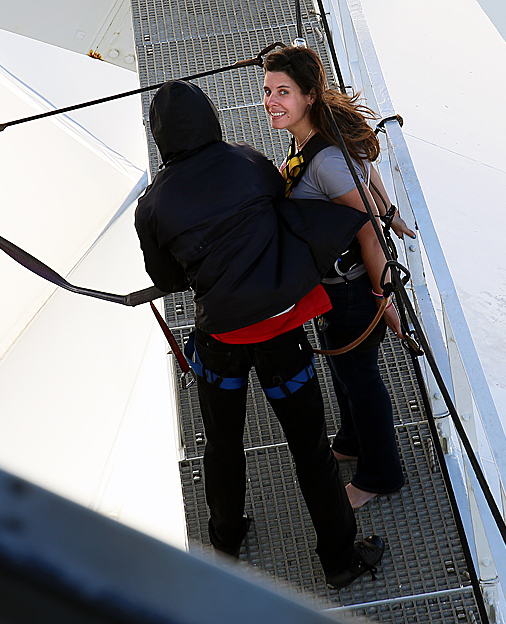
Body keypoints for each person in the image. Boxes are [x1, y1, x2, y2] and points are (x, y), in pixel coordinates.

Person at [134, 79, 384, 589]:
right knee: (310, 448)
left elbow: (168, 280)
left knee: (222, 443)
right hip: (280, 330)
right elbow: (280, 210)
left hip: (220, 340)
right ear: (210, 117)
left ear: (160, 137)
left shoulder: (152, 205)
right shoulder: (248, 161)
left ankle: (225, 538)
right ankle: (339, 560)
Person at [262, 46, 414, 509]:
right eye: (268, 91)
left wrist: (383, 298)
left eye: (283, 92)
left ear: (309, 95)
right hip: (336, 287)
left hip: (353, 291)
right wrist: (387, 207)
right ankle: (350, 442)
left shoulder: (323, 160)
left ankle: (380, 475)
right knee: (346, 374)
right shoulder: (311, 138)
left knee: (361, 381)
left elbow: (368, 232)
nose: (271, 101)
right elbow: (365, 170)